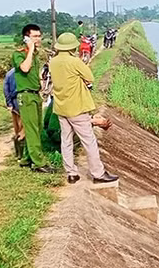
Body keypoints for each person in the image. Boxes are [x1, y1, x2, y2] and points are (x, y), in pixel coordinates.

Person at [49, 32, 118, 184]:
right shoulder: (74, 61)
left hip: (61, 107)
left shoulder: (53, 62)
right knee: (89, 141)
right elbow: (90, 77)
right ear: (72, 47)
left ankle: (71, 173)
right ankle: (98, 173)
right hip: (77, 108)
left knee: (66, 141)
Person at [12, 24, 55, 173]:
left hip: (35, 94)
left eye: (39, 36)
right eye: (34, 36)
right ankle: (39, 163)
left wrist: (41, 84)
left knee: (37, 128)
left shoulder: (35, 55)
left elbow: (35, 73)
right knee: (31, 130)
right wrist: (30, 49)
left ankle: (27, 158)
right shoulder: (19, 54)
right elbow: (24, 68)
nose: (38, 39)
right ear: (26, 38)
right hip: (25, 95)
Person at [3, 67, 25, 160]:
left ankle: (18, 153)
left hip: (13, 101)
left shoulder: (9, 73)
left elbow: (6, 89)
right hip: (22, 99)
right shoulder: (23, 72)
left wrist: (9, 103)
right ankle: (22, 152)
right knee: (23, 126)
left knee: (16, 126)